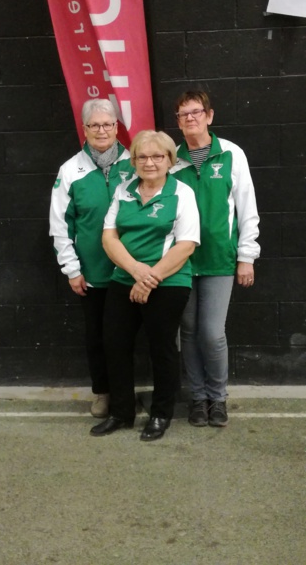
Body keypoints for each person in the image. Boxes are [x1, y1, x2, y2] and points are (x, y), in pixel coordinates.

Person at [90, 130, 200, 441]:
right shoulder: (124, 190)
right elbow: (109, 237)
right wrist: (136, 271)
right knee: (114, 345)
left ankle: (161, 414)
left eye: (157, 156)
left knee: (161, 347)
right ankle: (121, 414)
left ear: (169, 160)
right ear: (134, 161)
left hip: (169, 281)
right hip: (124, 278)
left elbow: (187, 245)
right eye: (142, 157)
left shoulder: (183, 193)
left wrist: (150, 279)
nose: (149, 162)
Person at [170, 90, 260, 428]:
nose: (190, 119)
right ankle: (197, 398)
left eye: (196, 112)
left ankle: (218, 398)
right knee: (188, 330)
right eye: (183, 115)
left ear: (209, 116)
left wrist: (247, 256)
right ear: (177, 122)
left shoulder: (232, 155)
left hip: (220, 259)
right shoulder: (171, 158)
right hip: (180, 260)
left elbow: (247, 207)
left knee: (211, 332)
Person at [49, 99, 134, 417]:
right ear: (84, 129)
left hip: (132, 272)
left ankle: (126, 394)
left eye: (108, 124)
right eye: (94, 125)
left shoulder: (137, 163)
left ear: (117, 127)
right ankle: (102, 392)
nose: (102, 130)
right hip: (93, 275)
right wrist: (72, 269)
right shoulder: (71, 170)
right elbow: (60, 225)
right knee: (97, 337)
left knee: (128, 337)